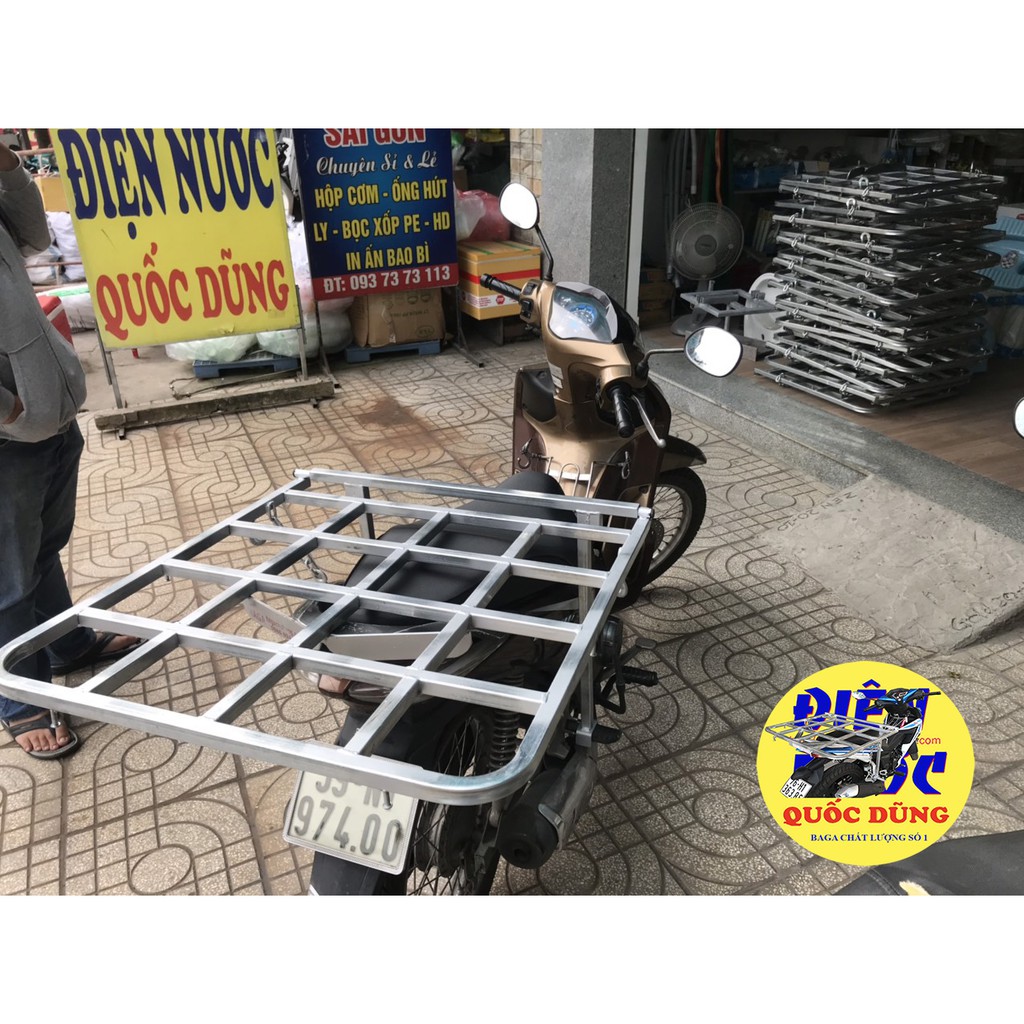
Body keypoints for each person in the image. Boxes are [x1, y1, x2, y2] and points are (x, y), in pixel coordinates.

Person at [0, 138, 139, 759]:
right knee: (7, 577)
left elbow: (34, 237)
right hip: (9, 430)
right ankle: (20, 700)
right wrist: (12, 412)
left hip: (46, 413)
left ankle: (66, 643)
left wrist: (7, 164)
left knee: (42, 548)